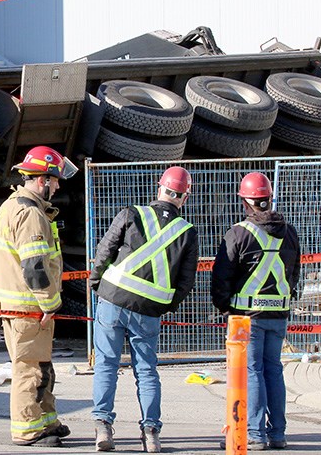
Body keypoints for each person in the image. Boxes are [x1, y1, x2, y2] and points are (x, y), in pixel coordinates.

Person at [88, 166, 199, 453]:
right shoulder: (186, 232)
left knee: (106, 365)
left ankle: (102, 427)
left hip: (112, 301)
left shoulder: (131, 214)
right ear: (184, 198)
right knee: (147, 370)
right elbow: (186, 282)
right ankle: (151, 433)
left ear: (159, 188)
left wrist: (96, 282)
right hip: (148, 311)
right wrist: (165, 305)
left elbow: (105, 250)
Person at [0, 145, 78, 447]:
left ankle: (46, 420)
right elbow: (36, 268)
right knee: (30, 369)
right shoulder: (29, 215)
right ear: (42, 180)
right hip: (29, 307)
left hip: (19, 305)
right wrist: (50, 305)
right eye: (54, 180)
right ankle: (28, 429)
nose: (57, 186)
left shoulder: (13, 206)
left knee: (41, 367)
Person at [211, 172, 299, 451]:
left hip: (245, 317)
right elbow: (295, 272)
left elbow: (222, 275)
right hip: (279, 314)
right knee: (274, 370)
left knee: (252, 372)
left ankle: (256, 434)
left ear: (245, 202)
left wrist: (222, 304)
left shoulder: (238, 232)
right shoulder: (290, 231)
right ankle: (278, 434)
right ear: (269, 199)